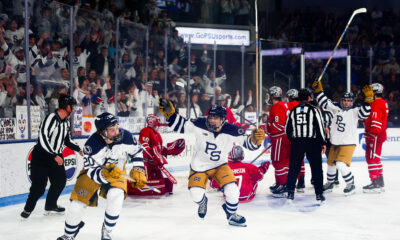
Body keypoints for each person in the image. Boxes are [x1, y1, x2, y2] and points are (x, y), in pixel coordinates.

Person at [158, 99, 265, 227]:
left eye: (216, 118)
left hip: (220, 166)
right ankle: (202, 202)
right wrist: (170, 114)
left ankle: (231, 214)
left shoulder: (233, 130)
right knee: (195, 194)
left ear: (223, 119)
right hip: (199, 167)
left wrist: (256, 141)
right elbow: (181, 124)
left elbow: (249, 144)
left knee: (233, 191)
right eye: (210, 117)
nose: (212, 120)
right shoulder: (200, 123)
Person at [57, 112, 147, 240]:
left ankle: (107, 230)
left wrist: (138, 168)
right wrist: (103, 174)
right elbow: (91, 170)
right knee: (76, 205)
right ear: (102, 131)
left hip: (117, 169)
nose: (117, 132)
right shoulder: (91, 145)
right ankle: (68, 235)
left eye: (116, 127)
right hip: (94, 172)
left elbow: (137, 150)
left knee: (116, 195)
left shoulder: (125, 136)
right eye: (112, 130)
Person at [21, 94, 82, 219]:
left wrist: (79, 148)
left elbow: (67, 140)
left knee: (60, 181)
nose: (74, 109)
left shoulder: (65, 122)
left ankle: (50, 205)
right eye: (72, 106)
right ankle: (27, 210)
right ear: (66, 106)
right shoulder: (51, 119)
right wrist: (54, 155)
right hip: (41, 157)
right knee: (38, 189)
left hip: (55, 156)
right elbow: (43, 138)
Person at [312, 80, 371, 196]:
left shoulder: (355, 111)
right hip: (335, 143)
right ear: (341, 100)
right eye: (344, 100)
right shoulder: (336, 108)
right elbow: (324, 103)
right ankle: (330, 183)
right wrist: (319, 91)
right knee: (330, 164)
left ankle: (351, 185)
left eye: (349, 101)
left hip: (348, 144)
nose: (346, 102)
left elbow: (365, 113)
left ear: (352, 102)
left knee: (340, 165)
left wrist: (368, 100)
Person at [285, 88, 326, 205]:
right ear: (309, 98)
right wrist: (323, 142)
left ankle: (290, 193)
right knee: (317, 169)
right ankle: (319, 194)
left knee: (293, 168)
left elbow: (287, 129)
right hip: (312, 143)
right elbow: (320, 127)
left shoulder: (293, 111)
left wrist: (294, 140)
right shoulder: (314, 110)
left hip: (297, 142)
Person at [128, 114, 185, 195]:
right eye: (157, 123)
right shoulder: (146, 131)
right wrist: (153, 157)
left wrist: (169, 150)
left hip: (155, 163)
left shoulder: (157, 134)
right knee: (145, 180)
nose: (158, 125)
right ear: (152, 123)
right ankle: (132, 187)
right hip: (146, 163)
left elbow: (159, 149)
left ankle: (161, 188)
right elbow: (144, 147)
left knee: (160, 180)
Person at [363, 83, 388, 193]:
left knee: (372, 158)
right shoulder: (381, 102)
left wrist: (372, 135)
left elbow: (376, 120)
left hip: (375, 135)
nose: (368, 93)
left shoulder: (377, 103)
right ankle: (379, 181)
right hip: (378, 134)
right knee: (375, 157)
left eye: (370, 91)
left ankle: (375, 183)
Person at [265, 86, 291, 197]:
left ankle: (283, 184)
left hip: (280, 138)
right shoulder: (283, 105)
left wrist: (266, 127)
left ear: (272, 95)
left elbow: (279, 126)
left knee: (278, 162)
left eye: (269, 95)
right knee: (284, 162)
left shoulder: (277, 107)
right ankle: (282, 183)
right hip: (285, 138)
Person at [286, 88, 306, 192]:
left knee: (291, 160)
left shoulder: (287, 106)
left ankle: (290, 182)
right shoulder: (303, 105)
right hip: (303, 135)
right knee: (300, 158)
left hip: (291, 136)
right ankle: (301, 179)